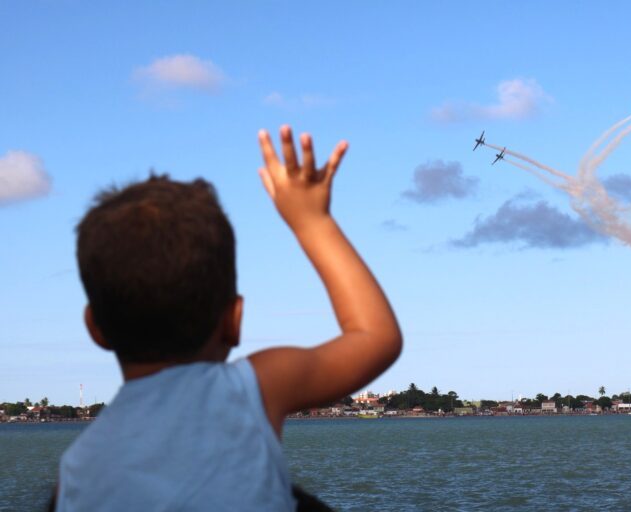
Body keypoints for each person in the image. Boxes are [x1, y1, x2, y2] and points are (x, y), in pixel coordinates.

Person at [55, 126, 402, 511]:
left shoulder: (76, 468)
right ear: (234, 320)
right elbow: (376, 336)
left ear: (95, 329)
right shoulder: (254, 387)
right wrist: (313, 222)